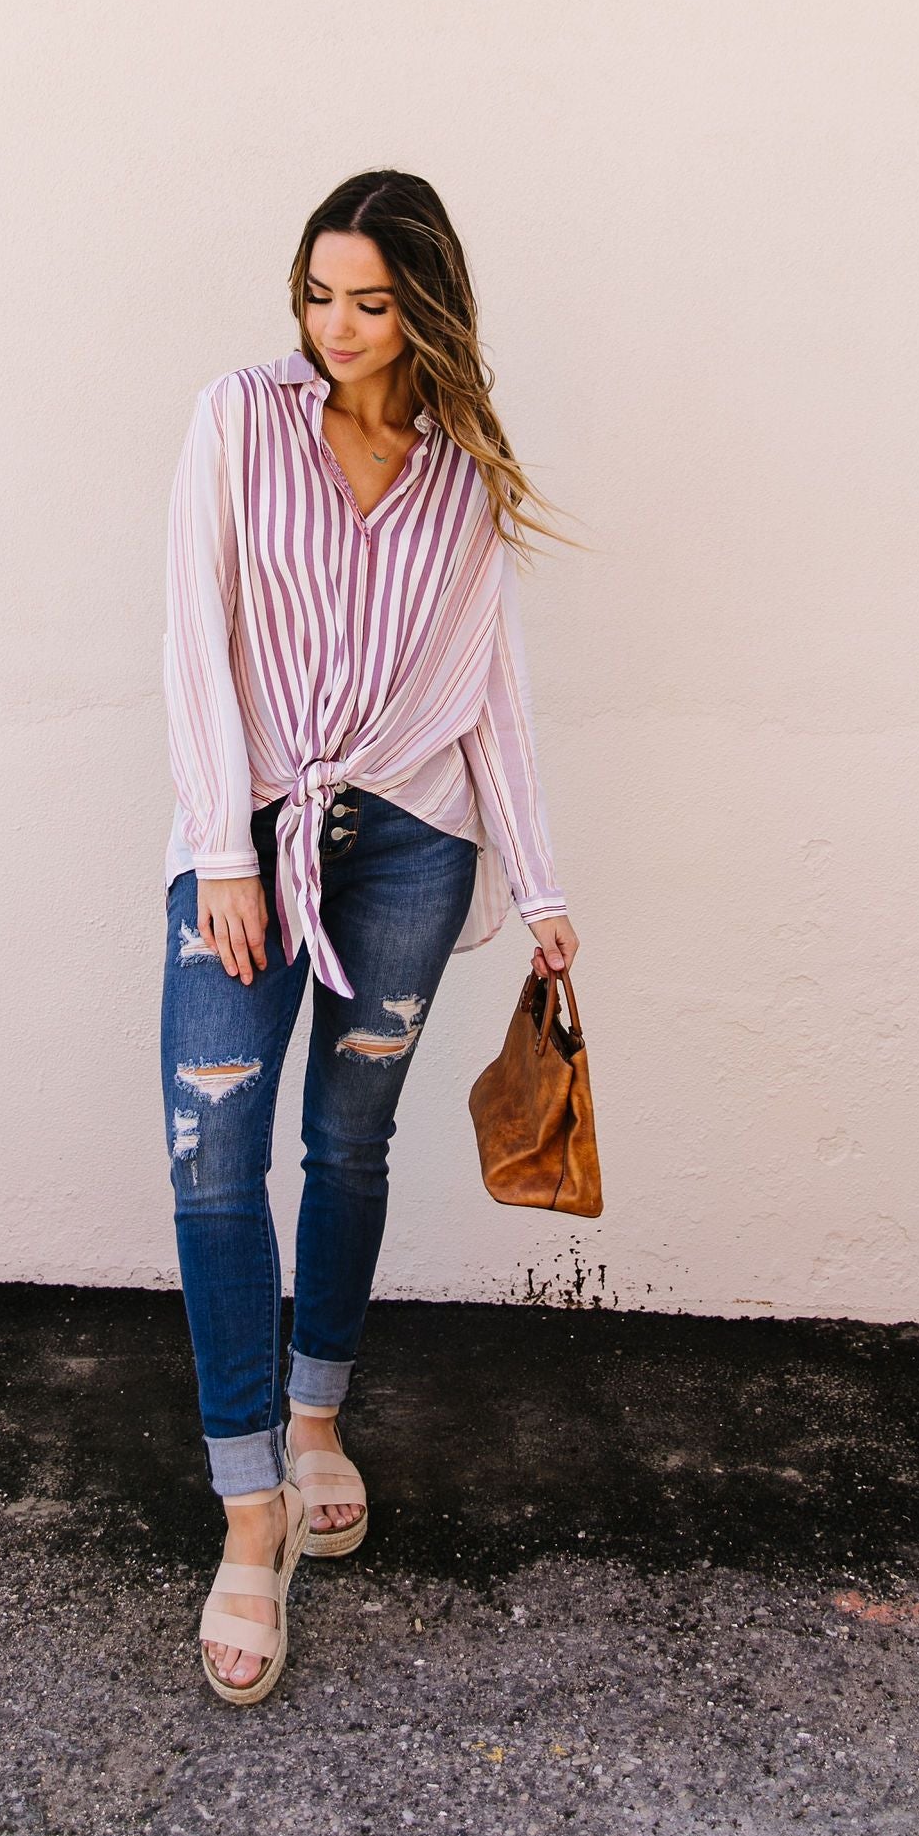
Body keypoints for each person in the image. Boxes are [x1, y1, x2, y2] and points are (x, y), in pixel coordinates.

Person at [161, 171, 580, 1703]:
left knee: (347, 1146)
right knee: (214, 1151)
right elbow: (191, 638)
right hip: (253, 836)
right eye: (318, 293)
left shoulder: (462, 470)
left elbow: (493, 691)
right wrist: (222, 848)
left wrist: (538, 886)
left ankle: (321, 1414)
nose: (336, 328)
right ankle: (248, 1502)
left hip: (407, 846)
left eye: (371, 301)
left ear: (426, 306)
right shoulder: (238, 419)